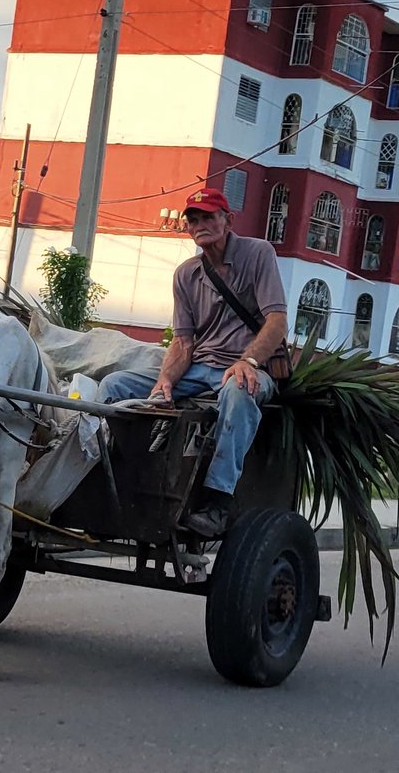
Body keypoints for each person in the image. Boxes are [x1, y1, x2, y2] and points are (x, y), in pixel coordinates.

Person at [97, 187, 289, 537]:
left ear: (228, 220)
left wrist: (248, 360)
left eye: (209, 216)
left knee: (238, 393)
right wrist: (165, 380)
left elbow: (277, 321)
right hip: (199, 369)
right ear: (187, 228)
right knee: (115, 385)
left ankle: (217, 501)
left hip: (252, 369)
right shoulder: (186, 274)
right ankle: (108, 474)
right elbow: (183, 342)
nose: (201, 224)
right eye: (194, 219)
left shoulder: (258, 254)